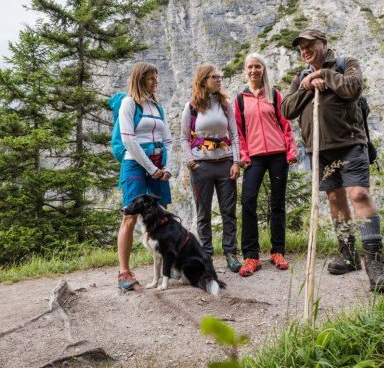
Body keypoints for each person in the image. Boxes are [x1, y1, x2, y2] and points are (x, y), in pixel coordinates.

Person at [280, 28, 384, 292]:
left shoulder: (345, 64)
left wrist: (325, 75)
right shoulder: (300, 77)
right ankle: (348, 253)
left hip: (351, 143)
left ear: (324, 43)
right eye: (301, 48)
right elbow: (286, 109)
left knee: (360, 195)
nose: (305, 51)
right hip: (319, 149)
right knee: (334, 198)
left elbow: (353, 88)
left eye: (310, 45)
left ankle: (375, 262)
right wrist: (308, 85)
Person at [234, 53, 297, 277]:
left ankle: (278, 251)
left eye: (257, 67)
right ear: (246, 71)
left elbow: (285, 124)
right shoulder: (240, 99)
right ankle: (251, 256)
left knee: (277, 203)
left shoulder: (274, 95)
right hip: (254, 157)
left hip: (279, 155)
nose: (253, 70)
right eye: (250, 67)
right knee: (248, 201)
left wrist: (291, 150)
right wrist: (244, 154)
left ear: (263, 69)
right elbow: (239, 131)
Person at [116, 62, 173, 291]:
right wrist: (151, 168)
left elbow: (167, 138)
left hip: (158, 164)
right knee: (129, 218)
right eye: (151, 79)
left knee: (162, 216)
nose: (155, 83)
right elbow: (128, 138)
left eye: (156, 78)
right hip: (136, 165)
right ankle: (124, 272)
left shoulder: (157, 106)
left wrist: (167, 166)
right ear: (140, 80)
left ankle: (168, 266)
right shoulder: (128, 104)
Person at [180, 63, 242, 273]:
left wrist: (236, 162)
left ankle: (230, 253)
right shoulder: (192, 107)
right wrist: (191, 161)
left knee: (228, 211)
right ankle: (206, 255)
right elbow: (183, 137)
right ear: (203, 80)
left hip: (225, 165)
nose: (219, 79)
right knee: (203, 213)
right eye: (214, 76)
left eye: (220, 76)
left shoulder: (225, 105)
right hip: (202, 167)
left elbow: (233, 135)